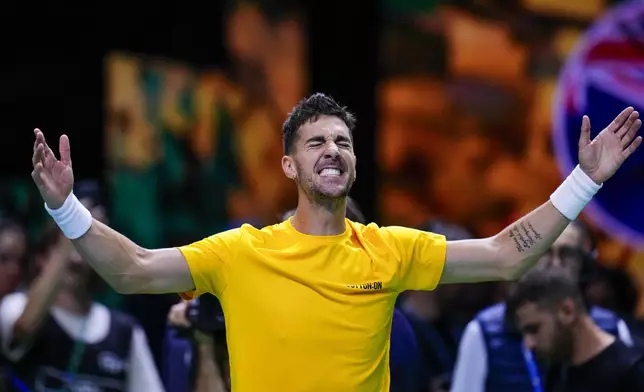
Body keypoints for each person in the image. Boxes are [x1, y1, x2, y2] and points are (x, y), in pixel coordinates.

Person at [29, 94, 641, 391]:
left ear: (352, 165)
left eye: (342, 143)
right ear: (290, 165)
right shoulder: (240, 252)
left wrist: (585, 179)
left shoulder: (391, 249)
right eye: (316, 143)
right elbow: (132, 270)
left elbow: (511, 253)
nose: (333, 151)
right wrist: (65, 207)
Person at [0, 186, 164, 392]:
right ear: (41, 257)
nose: (76, 257)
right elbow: (24, 329)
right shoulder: (14, 306)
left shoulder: (126, 332)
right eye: (66, 243)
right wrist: (72, 223)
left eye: (84, 246)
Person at [450, 221, 634, 392]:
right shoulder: (484, 331)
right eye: (544, 253)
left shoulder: (611, 327)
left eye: (567, 255)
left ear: (582, 264)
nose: (555, 264)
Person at [507, 267, 644, 392]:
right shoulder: (556, 373)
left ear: (567, 311)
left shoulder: (633, 373)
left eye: (534, 329)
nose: (528, 344)